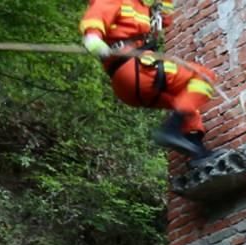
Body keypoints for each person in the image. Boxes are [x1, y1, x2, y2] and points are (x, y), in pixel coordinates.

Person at [80, 0, 218, 162]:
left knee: (186, 102)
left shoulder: (142, 7)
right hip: (135, 68)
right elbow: (97, 15)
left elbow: (165, 20)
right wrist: (93, 37)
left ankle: (197, 153)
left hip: (127, 84)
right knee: (204, 76)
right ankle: (171, 129)